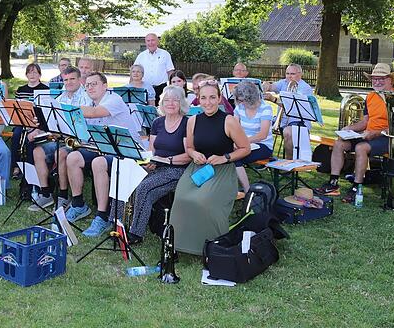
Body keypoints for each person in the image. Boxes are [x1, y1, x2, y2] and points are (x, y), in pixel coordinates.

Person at [88, 86, 191, 240]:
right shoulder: (157, 122)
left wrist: (166, 160)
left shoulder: (186, 123)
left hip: (176, 170)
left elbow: (188, 155)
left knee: (144, 188)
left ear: (181, 103)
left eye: (175, 100)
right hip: (156, 166)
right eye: (167, 100)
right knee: (124, 179)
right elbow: (152, 150)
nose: (170, 103)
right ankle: (117, 224)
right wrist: (150, 161)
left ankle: (135, 233)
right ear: (162, 103)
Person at [170, 79, 250, 255]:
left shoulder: (229, 121)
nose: (208, 102)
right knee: (181, 199)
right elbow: (190, 148)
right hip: (197, 169)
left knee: (204, 202)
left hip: (222, 172)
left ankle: (213, 247)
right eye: (204, 98)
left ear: (220, 98)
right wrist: (193, 154)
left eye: (212, 97)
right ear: (198, 99)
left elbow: (246, 149)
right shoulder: (193, 121)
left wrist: (225, 157)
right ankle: (179, 244)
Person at [64, 72, 143, 224]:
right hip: (104, 148)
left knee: (98, 162)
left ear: (105, 86)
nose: (90, 87)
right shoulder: (91, 103)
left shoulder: (114, 99)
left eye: (94, 84)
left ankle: (102, 215)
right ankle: (78, 204)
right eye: (87, 85)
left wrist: (66, 110)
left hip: (126, 151)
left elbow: (94, 114)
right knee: (73, 157)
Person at [316, 63, 394, 202]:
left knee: (361, 147)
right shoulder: (371, 96)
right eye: (374, 79)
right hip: (368, 134)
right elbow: (365, 121)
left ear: (390, 80)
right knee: (339, 143)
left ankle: (356, 187)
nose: (377, 82)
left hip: (387, 138)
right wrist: (350, 128)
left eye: (381, 79)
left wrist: (375, 133)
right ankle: (333, 183)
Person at [30, 66, 92, 211]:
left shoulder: (86, 97)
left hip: (80, 141)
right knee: (37, 152)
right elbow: (52, 121)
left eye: (72, 79)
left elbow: (84, 126)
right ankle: (46, 194)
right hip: (62, 139)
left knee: (61, 153)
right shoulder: (60, 98)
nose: (69, 83)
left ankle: (63, 196)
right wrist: (39, 127)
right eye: (65, 80)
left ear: (79, 79)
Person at [264, 64, 314, 159]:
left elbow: (293, 107)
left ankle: (289, 162)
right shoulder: (284, 82)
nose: (289, 76)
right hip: (283, 119)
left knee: (287, 132)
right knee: (260, 124)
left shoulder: (304, 88)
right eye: (287, 73)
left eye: (292, 74)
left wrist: (274, 100)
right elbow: (272, 87)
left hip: (298, 120)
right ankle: (264, 157)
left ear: (300, 74)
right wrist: (267, 85)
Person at [232, 81, 274, 192]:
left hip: (263, 145)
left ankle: (247, 190)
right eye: (239, 99)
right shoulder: (239, 108)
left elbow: (262, 134)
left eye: (242, 100)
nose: (240, 102)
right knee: (225, 154)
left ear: (251, 98)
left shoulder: (265, 108)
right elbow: (234, 129)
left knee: (235, 158)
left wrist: (242, 142)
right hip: (243, 143)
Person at [11, 64, 49, 176]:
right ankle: (16, 166)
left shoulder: (45, 89)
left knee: (31, 140)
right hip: (22, 121)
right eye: (29, 72)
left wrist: (34, 125)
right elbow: (16, 109)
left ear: (39, 75)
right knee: (16, 136)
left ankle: (30, 167)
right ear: (26, 74)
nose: (32, 75)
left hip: (38, 122)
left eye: (35, 72)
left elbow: (45, 111)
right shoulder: (21, 89)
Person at [134, 33, 175, 106]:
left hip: (161, 89)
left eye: (153, 40)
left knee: (161, 112)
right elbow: (133, 72)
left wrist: (172, 89)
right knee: (145, 113)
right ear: (145, 42)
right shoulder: (141, 56)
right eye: (148, 41)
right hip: (144, 89)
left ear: (157, 41)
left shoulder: (165, 54)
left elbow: (170, 72)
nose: (150, 43)